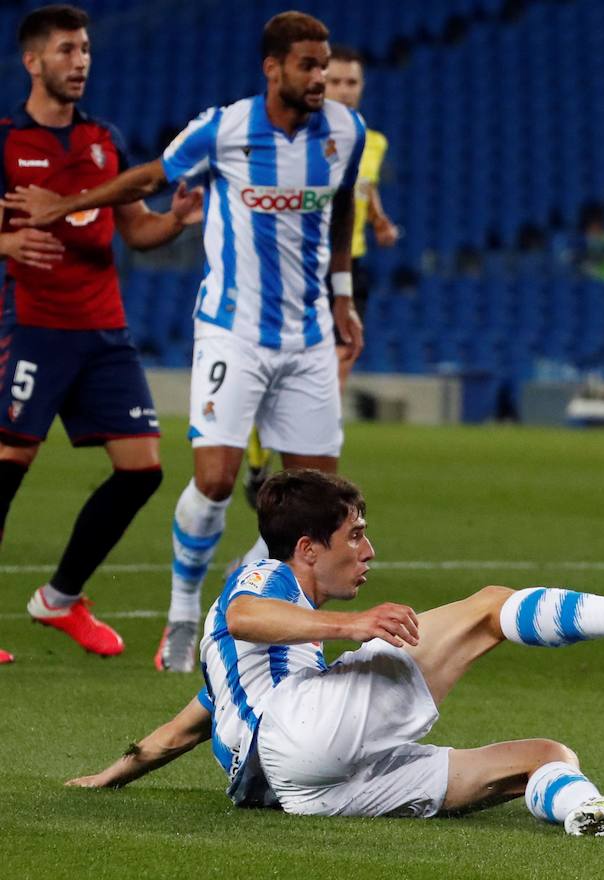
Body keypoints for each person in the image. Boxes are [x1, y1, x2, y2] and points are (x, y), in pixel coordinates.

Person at [68, 468, 604, 835]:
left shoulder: (244, 670)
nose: (369, 550)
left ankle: (586, 810)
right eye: (354, 535)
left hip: (298, 792)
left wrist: (107, 777)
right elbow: (244, 615)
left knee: (543, 757)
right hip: (294, 737)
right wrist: (353, 624)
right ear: (307, 550)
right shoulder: (263, 578)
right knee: (488, 608)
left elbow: (182, 730)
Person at [5, 12, 367, 674]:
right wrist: (55, 211)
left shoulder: (345, 131)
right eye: (309, 66)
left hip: (305, 334)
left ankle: (250, 596)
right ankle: (181, 615)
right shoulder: (224, 128)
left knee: (321, 498)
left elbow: (343, 205)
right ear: (273, 69)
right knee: (214, 478)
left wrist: (342, 294)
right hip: (226, 329)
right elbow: (148, 178)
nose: (321, 78)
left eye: (325, 66)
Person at [0, 4, 202, 665]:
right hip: (32, 327)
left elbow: (135, 230)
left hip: (104, 333)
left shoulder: (102, 140)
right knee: (7, 467)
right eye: (66, 49)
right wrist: (7, 242)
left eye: (85, 49)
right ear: (32, 61)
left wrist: (174, 220)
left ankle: (61, 598)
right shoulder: (7, 140)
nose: (80, 60)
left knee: (142, 470)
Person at [241, 43, 399, 508]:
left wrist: (380, 221)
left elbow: (363, 190)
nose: (345, 91)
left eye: (353, 83)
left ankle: (306, 472)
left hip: (351, 267)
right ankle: (260, 455)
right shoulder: (298, 138)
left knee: (336, 370)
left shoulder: (373, 142)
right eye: (337, 82)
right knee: (283, 376)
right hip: (301, 269)